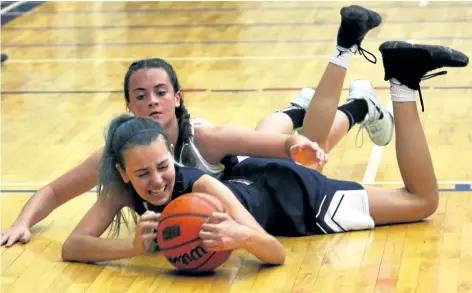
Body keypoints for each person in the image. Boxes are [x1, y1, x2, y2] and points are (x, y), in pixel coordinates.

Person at [1, 5, 393, 247]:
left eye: (159, 92)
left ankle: (357, 106)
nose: (151, 101)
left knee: (306, 146)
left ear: (177, 97)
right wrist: (22, 222)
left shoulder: (202, 139)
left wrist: (297, 146)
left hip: (241, 178)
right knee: (281, 136)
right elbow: (54, 190)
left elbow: (286, 148)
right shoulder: (119, 153)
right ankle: (305, 107)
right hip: (236, 176)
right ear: (128, 105)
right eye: (141, 96)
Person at [60, 36, 469, 264]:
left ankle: (401, 81)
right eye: (143, 172)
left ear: (172, 155)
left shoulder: (202, 185)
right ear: (123, 172)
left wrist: (241, 237)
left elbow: (273, 252)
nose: (157, 179)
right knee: (306, 140)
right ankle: (331, 104)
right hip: (255, 176)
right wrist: (130, 248)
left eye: (163, 166)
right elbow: (73, 246)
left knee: (422, 200)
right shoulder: (124, 183)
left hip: (298, 202)